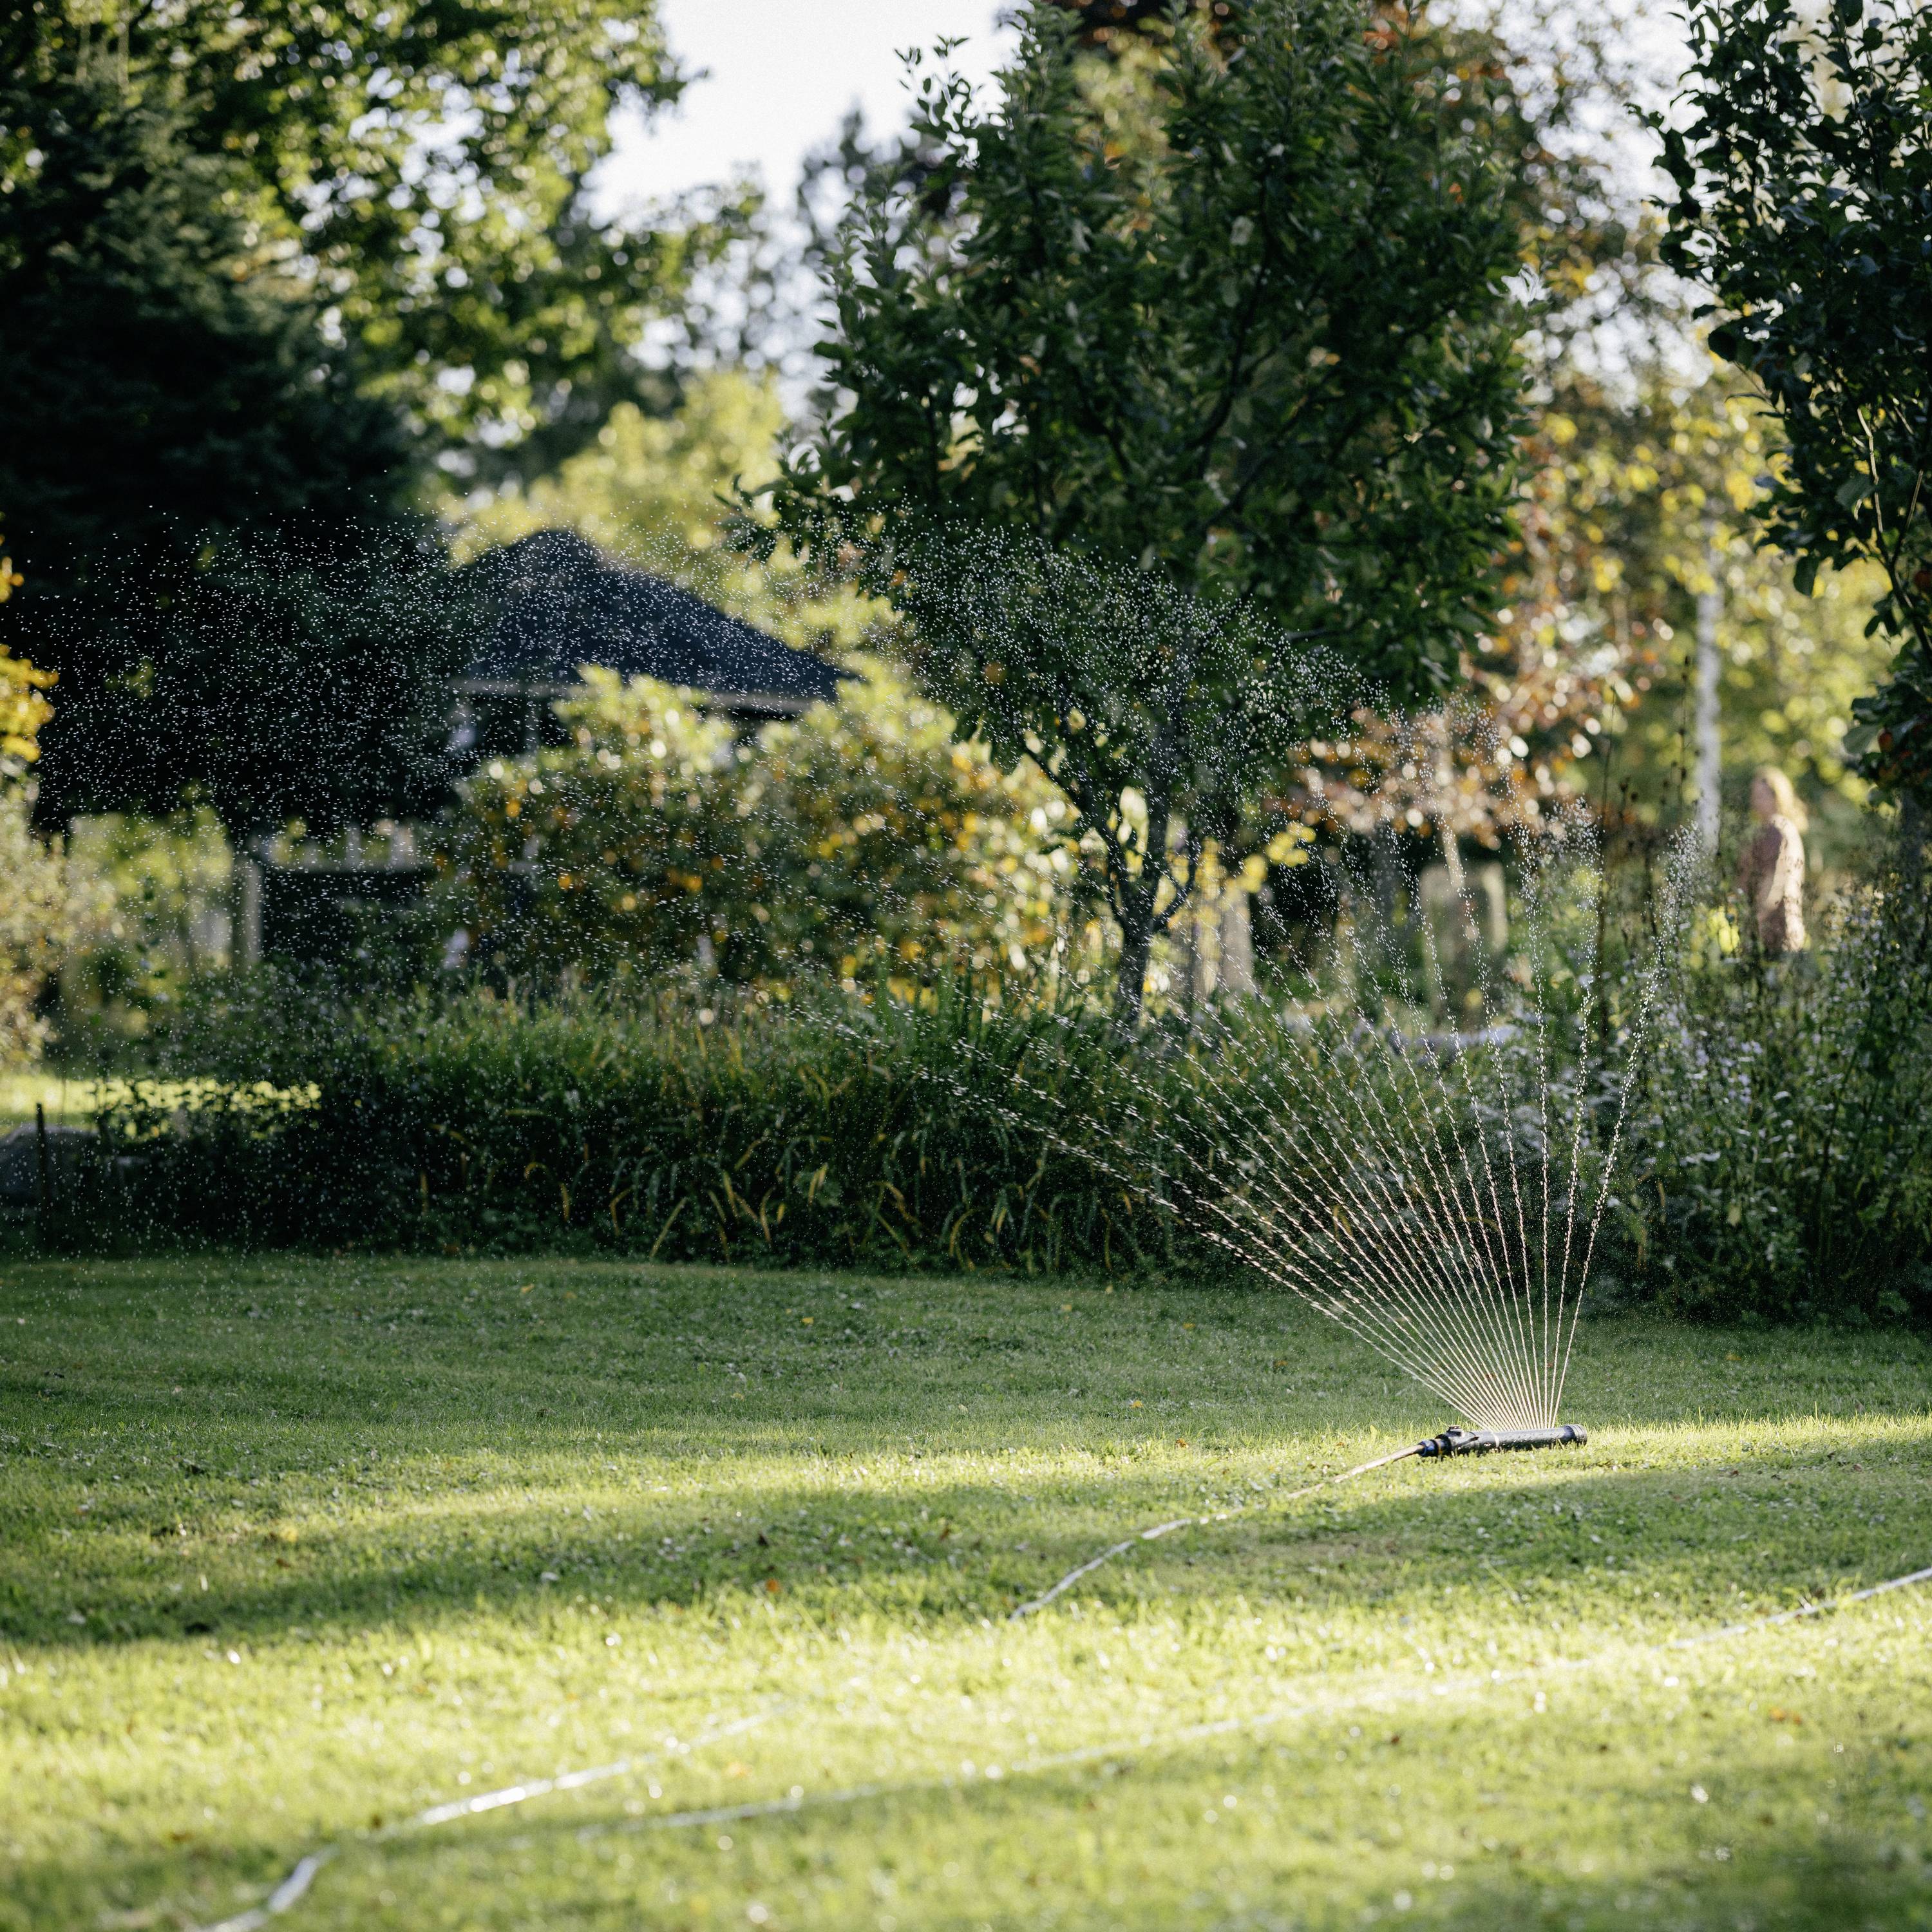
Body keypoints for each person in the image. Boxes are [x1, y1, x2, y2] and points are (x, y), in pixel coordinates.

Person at [1738, 765, 1808, 955]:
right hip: (1787, 931)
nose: (1755, 802)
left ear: (1776, 797)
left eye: (1761, 796)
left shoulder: (1775, 830)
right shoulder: (1786, 828)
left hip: (1772, 933)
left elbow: (1775, 879)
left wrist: (1758, 919)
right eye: (1754, 796)